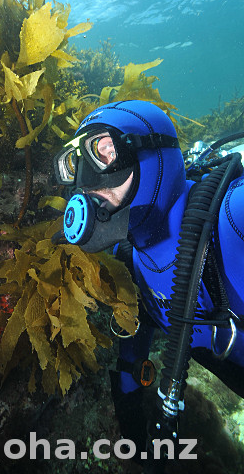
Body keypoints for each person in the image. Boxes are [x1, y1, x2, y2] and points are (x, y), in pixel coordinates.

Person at [53, 99, 244, 455]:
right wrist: (129, 412)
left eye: (104, 151)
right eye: (74, 164)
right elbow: (135, 329)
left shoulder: (232, 218)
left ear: (153, 155)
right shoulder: (128, 262)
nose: (85, 181)